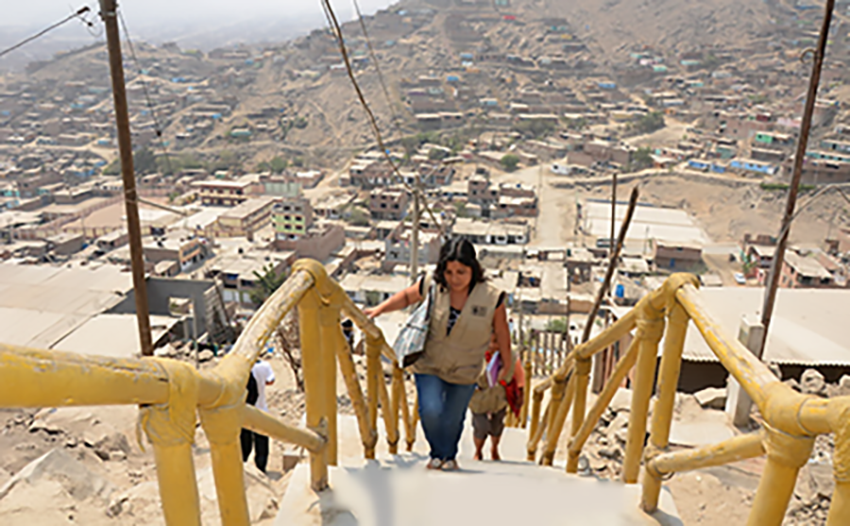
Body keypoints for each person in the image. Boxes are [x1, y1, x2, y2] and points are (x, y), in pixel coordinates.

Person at [365, 237, 512, 471]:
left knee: (454, 418)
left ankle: (449, 455)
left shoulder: (491, 297)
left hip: (466, 368)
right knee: (430, 410)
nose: (454, 279)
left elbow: (502, 331)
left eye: (461, 272)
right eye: (449, 272)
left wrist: (506, 360)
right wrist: (379, 310)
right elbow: (406, 297)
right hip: (430, 363)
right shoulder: (433, 284)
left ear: (473, 269)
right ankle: (437, 453)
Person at [469, 334, 525, 461]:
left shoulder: (510, 355)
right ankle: (478, 451)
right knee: (480, 426)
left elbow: (519, 374)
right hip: (479, 396)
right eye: (490, 341)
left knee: (497, 425)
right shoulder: (474, 353)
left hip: (500, 396)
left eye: (497, 342)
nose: (493, 346)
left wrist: (521, 394)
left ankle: (494, 448)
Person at [240, 358, 275, 473]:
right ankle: (261, 469)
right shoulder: (264, 366)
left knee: (244, 442)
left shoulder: (240, 367)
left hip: (244, 412)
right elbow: (271, 381)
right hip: (261, 411)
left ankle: (243, 469)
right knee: (261, 444)